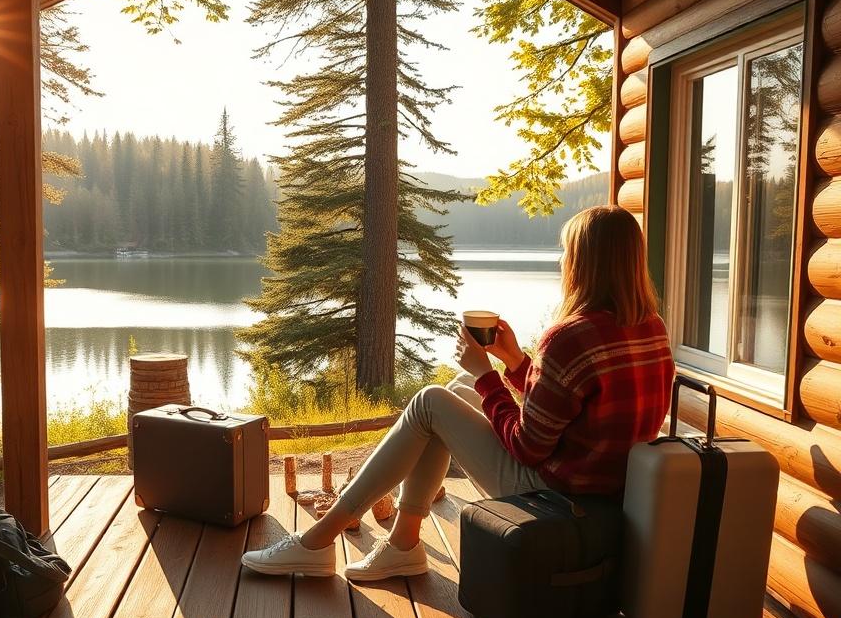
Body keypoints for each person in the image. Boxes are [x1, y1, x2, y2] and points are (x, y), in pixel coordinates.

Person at [241, 205, 674, 580]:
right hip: (605, 491)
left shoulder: (571, 338)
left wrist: (488, 374)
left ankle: (320, 539)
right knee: (457, 389)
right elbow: (572, 411)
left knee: (430, 401)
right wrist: (514, 363)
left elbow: (528, 447)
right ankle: (405, 543)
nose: (563, 262)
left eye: (567, 253)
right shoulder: (652, 330)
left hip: (554, 496)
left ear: (584, 264)